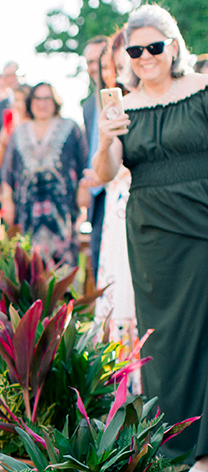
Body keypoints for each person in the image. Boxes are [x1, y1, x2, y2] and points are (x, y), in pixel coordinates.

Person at [92, 3, 208, 472]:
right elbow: (106, 173)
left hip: (202, 219)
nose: (144, 56)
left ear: (173, 46)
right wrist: (103, 139)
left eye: (153, 47)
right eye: (135, 50)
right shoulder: (123, 106)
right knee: (167, 336)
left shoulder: (203, 91)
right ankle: (177, 442)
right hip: (151, 232)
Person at [0, 82, 88, 266]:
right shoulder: (19, 131)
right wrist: (7, 200)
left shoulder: (70, 128)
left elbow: (84, 163)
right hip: (27, 211)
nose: (42, 103)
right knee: (31, 267)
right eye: (37, 99)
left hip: (62, 209)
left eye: (47, 98)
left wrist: (84, 192)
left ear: (55, 102)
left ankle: (67, 296)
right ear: (30, 102)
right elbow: (8, 170)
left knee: (64, 266)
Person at [92, 33, 137, 346]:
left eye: (119, 64)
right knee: (119, 289)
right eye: (109, 66)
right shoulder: (111, 108)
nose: (113, 73)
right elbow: (106, 168)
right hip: (118, 205)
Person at [81, 36, 109, 277]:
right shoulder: (89, 106)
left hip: (120, 190)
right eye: (89, 62)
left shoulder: (127, 96)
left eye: (98, 60)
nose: (94, 68)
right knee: (99, 260)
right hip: (96, 199)